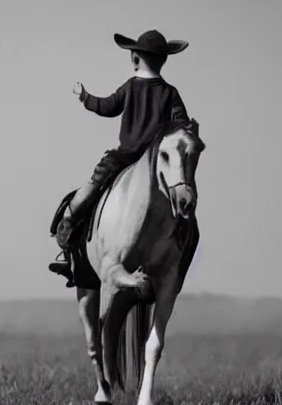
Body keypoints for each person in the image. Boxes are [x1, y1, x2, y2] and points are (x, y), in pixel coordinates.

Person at [49, 29, 191, 283]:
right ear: (164, 60)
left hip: (124, 157)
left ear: (136, 58)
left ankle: (68, 228)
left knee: (93, 185)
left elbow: (106, 107)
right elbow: (180, 125)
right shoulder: (171, 93)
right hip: (158, 163)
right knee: (182, 203)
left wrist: (84, 96)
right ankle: (182, 249)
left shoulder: (130, 87)